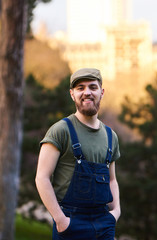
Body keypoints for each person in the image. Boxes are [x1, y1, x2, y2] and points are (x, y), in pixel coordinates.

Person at [35, 68, 121, 240]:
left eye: (92, 87)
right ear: (72, 94)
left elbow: (112, 179)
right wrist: (60, 220)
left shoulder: (111, 136)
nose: (87, 92)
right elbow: (41, 178)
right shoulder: (60, 130)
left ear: (101, 92)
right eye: (80, 88)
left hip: (104, 223)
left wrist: (116, 212)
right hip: (71, 224)